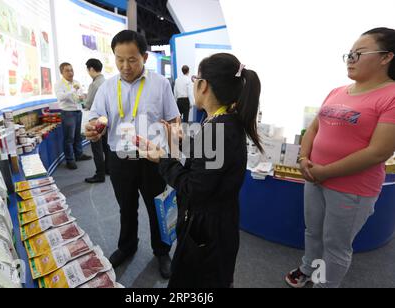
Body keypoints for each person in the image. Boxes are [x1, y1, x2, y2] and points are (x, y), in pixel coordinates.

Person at [138, 53, 263, 288]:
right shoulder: (225, 120)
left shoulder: (218, 129)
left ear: (203, 85)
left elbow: (194, 187)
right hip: (217, 223)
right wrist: (180, 143)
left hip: (206, 231)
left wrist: (163, 159)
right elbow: (210, 165)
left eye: (196, 78)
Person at [286, 27, 395, 288]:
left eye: (358, 53)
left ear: (386, 57)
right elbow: (313, 128)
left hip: (352, 189)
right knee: (313, 232)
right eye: (349, 53)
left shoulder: (391, 95)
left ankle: (324, 283)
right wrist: (303, 158)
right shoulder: (338, 91)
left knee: (335, 245)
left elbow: (379, 152)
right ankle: (308, 268)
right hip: (314, 177)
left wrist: (325, 171)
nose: (350, 58)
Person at [85, 30, 181, 279]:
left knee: (156, 207)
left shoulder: (160, 84)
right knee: (126, 207)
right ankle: (127, 246)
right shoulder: (107, 88)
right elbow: (97, 117)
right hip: (120, 159)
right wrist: (94, 128)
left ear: (145, 57)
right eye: (119, 59)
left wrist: (175, 141)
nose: (125, 66)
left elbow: (173, 118)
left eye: (132, 60)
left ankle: (162, 251)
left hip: (153, 159)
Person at [55, 63, 92, 170]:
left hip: (77, 111)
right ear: (62, 72)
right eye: (67, 70)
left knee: (78, 136)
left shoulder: (76, 82)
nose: (71, 72)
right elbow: (60, 97)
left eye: (71, 70)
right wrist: (72, 90)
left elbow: (80, 97)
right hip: (67, 112)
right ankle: (70, 160)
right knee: (69, 138)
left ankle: (79, 155)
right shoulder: (59, 84)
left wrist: (82, 97)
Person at [83, 58, 109, 184]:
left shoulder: (94, 84)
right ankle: (108, 169)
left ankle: (100, 174)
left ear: (91, 69)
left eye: (88, 70)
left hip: (96, 120)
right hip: (106, 119)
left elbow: (88, 104)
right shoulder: (107, 82)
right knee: (106, 146)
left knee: (96, 147)